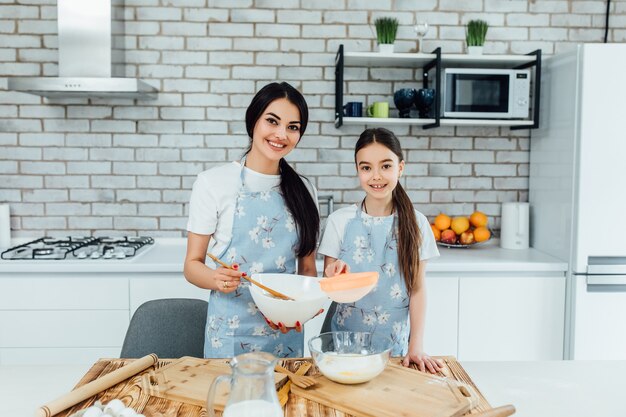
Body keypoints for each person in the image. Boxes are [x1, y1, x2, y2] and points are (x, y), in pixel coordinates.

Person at [184, 82, 319, 358]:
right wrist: (215, 278)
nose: (281, 134)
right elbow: (191, 265)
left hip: (285, 334)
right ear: (253, 120)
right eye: (272, 121)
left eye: (293, 127)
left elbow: (307, 271)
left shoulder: (305, 190)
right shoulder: (212, 183)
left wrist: (298, 312)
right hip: (231, 334)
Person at [318, 127, 443, 373]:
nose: (376, 176)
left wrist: (415, 345)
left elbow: (417, 289)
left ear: (400, 167)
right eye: (366, 168)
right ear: (358, 171)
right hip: (342, 348)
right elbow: (329, 286)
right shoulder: (339, 221)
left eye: (385, 166)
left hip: (393, 349)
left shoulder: (417, 224)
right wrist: (333, 275)